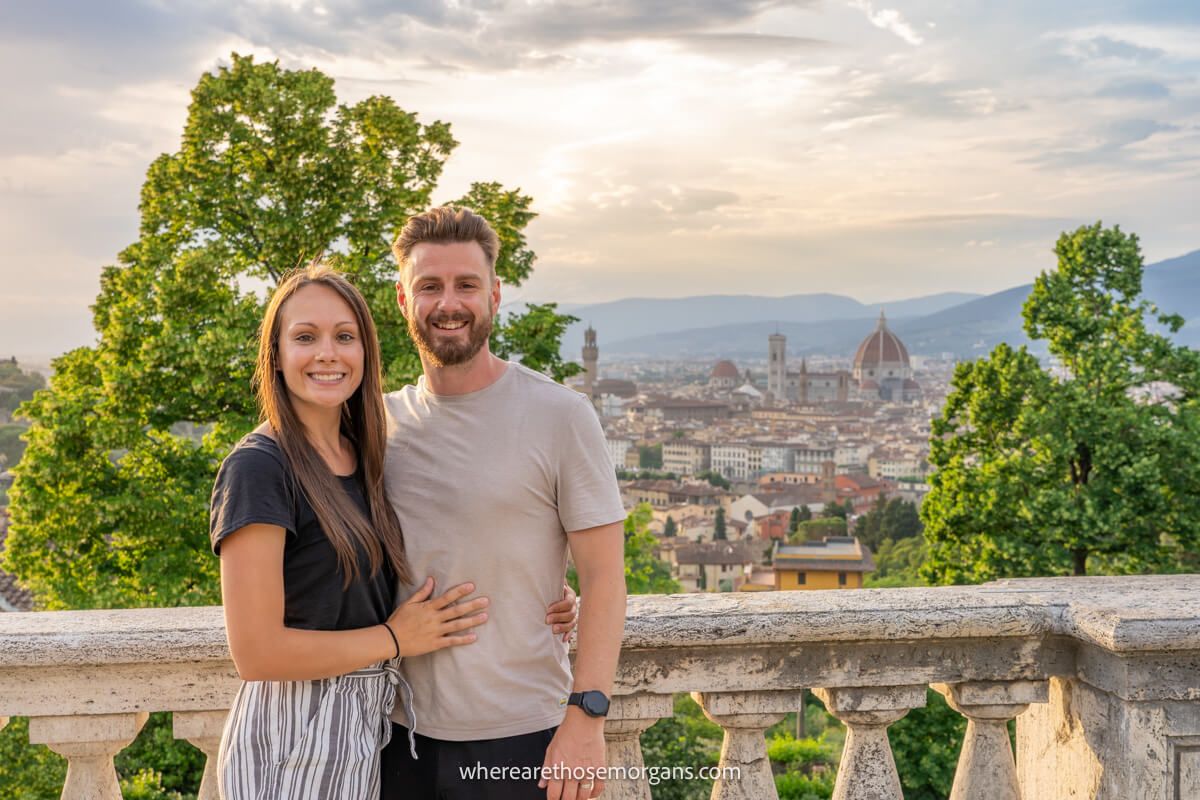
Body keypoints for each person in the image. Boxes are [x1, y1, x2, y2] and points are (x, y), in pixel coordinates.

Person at [210, 264, 578, 799]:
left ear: (366, 352)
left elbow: (449, 529)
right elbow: (257, 652)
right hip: (290, 736)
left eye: (345, 336)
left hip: (368, 732)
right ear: (276, 355)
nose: (328, 353)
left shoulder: (363, 452)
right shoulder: (260, 467)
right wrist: (395, 639)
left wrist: (541, 591)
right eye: (305, 337)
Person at [380, 207, 628, 800]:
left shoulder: (560, 415)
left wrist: (586, 718)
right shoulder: (375, 423)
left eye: (466, 285)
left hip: (524, 737)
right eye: (429, 286)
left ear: (494, 296)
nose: (449, 303)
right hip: (391, 735)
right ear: (402, 299)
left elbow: (605, 578)